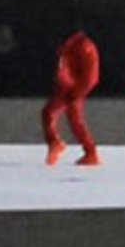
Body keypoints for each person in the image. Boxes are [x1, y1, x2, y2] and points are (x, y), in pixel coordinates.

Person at [41, 28, 103, 165]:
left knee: (56, 114)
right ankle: (88, 151)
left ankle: (86, 151)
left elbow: (91, 74)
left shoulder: (81, 45)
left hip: (71, 88)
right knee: (69, 118)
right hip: (69, 87)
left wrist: (77, 91)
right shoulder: (71, 44)